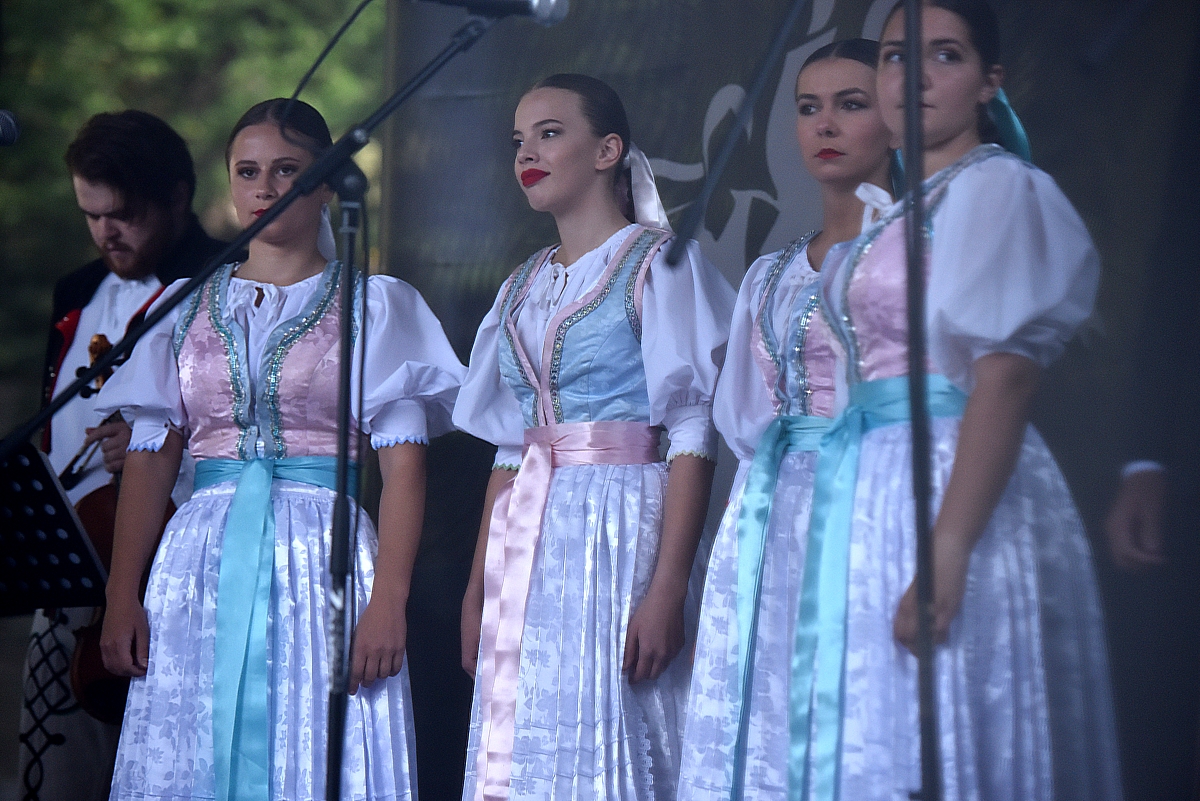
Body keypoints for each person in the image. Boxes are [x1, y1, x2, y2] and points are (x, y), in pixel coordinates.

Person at [94, 98, 465, 800]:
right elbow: (151, 457)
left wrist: (389, 601)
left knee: (314, 746)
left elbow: (404, 470)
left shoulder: (374, 305)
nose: (264, 187)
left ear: (326, 184)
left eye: (287, 169)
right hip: (199, 561)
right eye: (248, 171)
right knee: (193, 751)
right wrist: (122, 594)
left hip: (322, 558)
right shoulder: (182, 306)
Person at [795, 1, 1122, 798]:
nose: (913, 76)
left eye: (943, 55)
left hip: (949, 477)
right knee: (877, 734)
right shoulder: (901, 212)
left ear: (988, 82)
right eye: (896, 57)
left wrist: (946, 552)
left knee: (942, 725)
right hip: (873, 493)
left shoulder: (1000, 188)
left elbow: (1005, 374)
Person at [452, 73, 736, 800]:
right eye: (518, 140)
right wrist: (478, 586)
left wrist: (667, 588)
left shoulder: (659, 264)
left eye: (550, 133)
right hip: (531, 536)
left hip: (621, 525)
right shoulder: (521, 285)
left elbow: (692, 429)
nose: (527, 153)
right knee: (533, 733)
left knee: (618, 718)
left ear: (608, 150)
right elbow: (512, 449)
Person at [677, 39, 894, 801]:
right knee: (771, 713)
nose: (824, 124)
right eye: (808, 108)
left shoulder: (913, 255)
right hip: (772, 517)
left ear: (895, 116)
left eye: (850, 104)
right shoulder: (768, 274)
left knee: (857, 706)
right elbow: (746, 423)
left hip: (872, 506)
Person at [20, 109, 227, 801]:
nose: (106, 232)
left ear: (177, 196)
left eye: (123, 215)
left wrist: (154, 453)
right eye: (91, 215)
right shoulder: (77, 290)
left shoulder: (224, 283)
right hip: (74, 571)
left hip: (179, 568)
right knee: (57, 769)